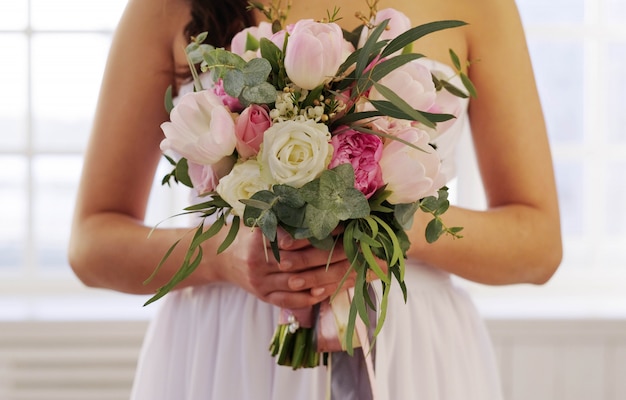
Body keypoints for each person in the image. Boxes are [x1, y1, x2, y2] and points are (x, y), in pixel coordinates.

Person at [68, 0, 562, 399]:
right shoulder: (166, 8)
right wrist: (225, 257)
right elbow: (92, 244)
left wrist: (388, 231)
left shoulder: (483, 6)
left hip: (409, 357)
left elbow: (538, 247)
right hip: (227, 355)